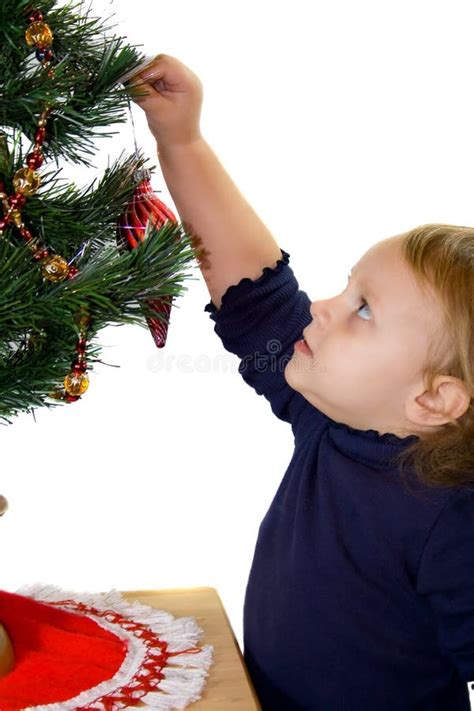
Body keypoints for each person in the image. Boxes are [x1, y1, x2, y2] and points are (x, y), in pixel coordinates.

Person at [128, 54, 474, 710]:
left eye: (363, 308)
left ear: (432, 399)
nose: (323, 306)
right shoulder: (335, 416)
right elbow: (252, 291)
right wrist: (182, 139)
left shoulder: (454, 522)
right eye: (348, 287)